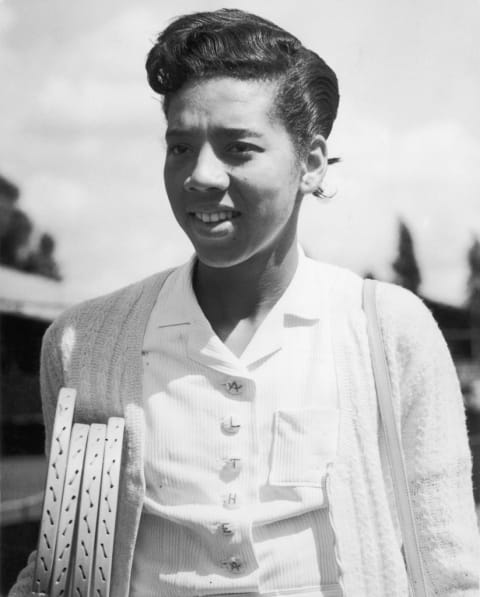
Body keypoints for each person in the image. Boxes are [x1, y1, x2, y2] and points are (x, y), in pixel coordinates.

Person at [9, 8, 480, 597]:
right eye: (180, 146)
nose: (201, 176)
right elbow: (64, 568)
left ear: (310, 164)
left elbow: (452, 574)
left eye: (239, 148)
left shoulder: (386, 331)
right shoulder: (85, 342)